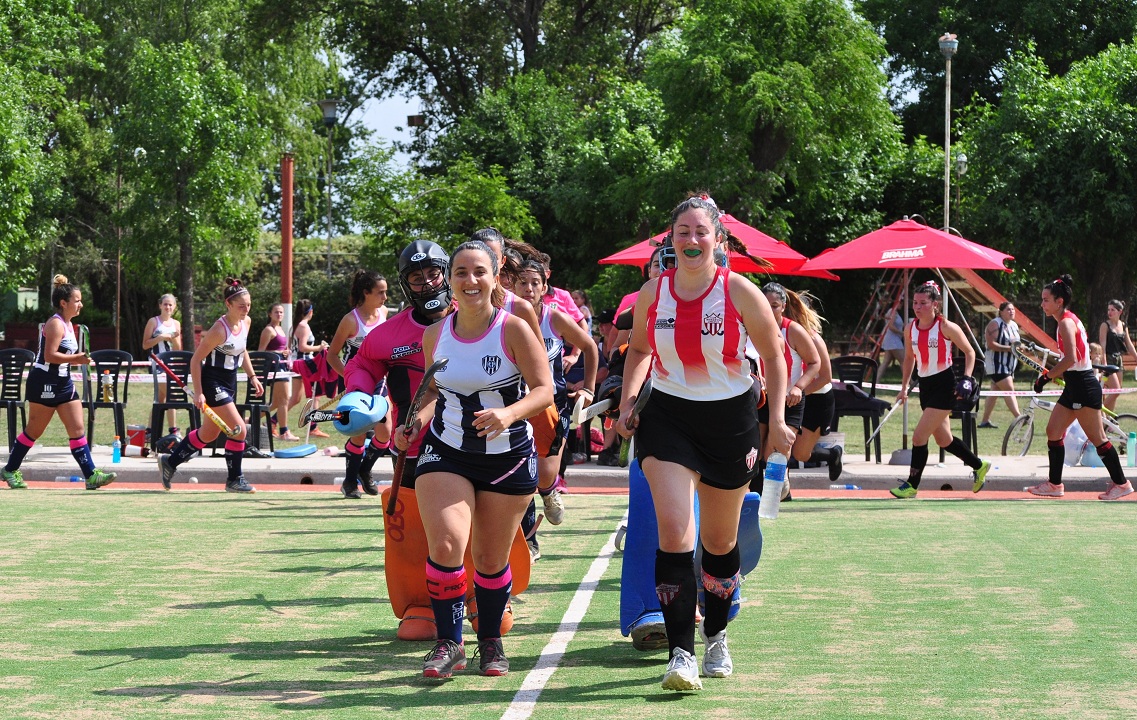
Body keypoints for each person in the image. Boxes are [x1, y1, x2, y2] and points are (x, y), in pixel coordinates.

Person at [616, 194, 793, 692]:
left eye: (701, 232)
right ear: (670, 240)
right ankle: (681, 655)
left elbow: (774, 357)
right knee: (675, 533)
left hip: (729, 422)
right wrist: (628, 402)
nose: (692, 240)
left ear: (719, 239)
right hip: (667, 418)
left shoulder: (739, 291)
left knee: (719, 543)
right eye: (683, 232)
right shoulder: (653, 293)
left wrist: (777, 419)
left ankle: (716, 635)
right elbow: (640, 350)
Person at [395, 240, 554, 678]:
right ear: (450, 280)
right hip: (446, 450)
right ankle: (449, 644)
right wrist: (414, 423)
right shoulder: (435, 334)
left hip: (507, 457)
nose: (470, 280)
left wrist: (509, 413)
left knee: (489, 559)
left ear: (495, 276)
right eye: (461, 272)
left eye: (479, 271)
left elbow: (544, 390)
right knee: (446, 545)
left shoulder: (513, 328)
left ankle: (490, 642)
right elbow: (433, 392)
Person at [1, 275, 117, 491]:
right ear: (64, 303)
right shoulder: (55, 323)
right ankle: (10, 469)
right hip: (44, 381)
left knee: (77, 428)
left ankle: (91, 475)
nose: (81, 304)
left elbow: (64, 357)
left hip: (63, 382)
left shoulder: (69, 324)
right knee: (34, 430)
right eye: (77, 300)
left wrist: (79, 360)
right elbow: (49, 355)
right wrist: (77, 359)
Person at [1027, 276, 1133, 500]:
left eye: (1046, 300)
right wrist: (1055, 373)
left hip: (1083, 386)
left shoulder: (1066, 323)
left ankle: (1122, 484)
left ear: (1059, 302)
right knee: (1053, 431)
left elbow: (1070, 359)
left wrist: (1046, 377)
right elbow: (1071, 359)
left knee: (1098, 438)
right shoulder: (1067, 320)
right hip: (1075, 385)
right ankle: (1054, 485)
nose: (1042, 304)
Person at [514, 257, 598, 527]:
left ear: (544, 287)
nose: (528, 288)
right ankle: (526, 536)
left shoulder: (554, 318)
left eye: (534, 283)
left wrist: (588, 389)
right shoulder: (502, 318)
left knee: (544, 474)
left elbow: (590, 347)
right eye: (522, 282)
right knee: (519, 475)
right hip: (514, 404)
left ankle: (549, 491)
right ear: (512, 285)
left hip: (552, 405)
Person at [158, 279, 263, 493]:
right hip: (213, 381)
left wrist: (252, 376)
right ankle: (235, 479)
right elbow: (196, 360)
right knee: (238, 429)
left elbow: (242, 350)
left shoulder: (246, 322)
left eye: (248, 305)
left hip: (230, 381)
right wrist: (199, 392)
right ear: (228, 304)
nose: (246, 309)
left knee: (209, 434)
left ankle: (170, 462)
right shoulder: (219, 329)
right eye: (241, 306)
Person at [890, 281, 991, 499]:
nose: (917, 307)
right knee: (944, 440)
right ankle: (979, 465)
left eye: (923, 303)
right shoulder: (910, 328)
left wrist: (967, 378)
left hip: (944, 386)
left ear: (935, 304)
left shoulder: (946, 327)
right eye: (915, 303)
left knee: (919, 437)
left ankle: (912, 485)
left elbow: (970, 352)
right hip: (925, 387)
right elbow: (909, 358)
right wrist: (904, 387)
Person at [328, 270, 392, 498]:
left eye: (385, 292)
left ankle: (364, 470)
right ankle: (349, 483)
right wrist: (349, 376)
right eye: (380, 292)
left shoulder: (384, 312)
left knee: (385, 433)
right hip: (356, 381)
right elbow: (332, 355)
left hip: (379, 380)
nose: (385, 297)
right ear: (366, 293)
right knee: (358, 433)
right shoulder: (350, 320)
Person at [754, 282, 820, 495]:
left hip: (790, 400)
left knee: (774, 451)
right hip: (762, 399)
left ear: (783, 306)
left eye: (774, 306)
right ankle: (756, 496)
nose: (769, 310)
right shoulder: (753, 328)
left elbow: (815, 363)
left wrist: (799, 387)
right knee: (755, 449)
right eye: (765, 305)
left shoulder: (793, 331)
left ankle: (777, 487)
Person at [784, 291, 843, 483]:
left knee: (801, 454)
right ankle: (783, 489)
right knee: (783, 445)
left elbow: (825, 377)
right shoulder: (785, 335)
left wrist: (799, 393)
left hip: (817, 400)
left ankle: (832, 454)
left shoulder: (814, 339)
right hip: (794, 397)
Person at [287, 299, 331, 438]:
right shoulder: (304, 326)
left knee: (296, 398)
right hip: (305, 364)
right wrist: (320, 347)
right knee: (315, 395)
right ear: (310, 311)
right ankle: (313, 428)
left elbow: (290, 347)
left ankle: (274, 421)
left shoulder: (294, 326)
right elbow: (303, 347)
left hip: (296, 363)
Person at [142, 294, 183, 437]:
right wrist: (160, 337)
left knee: (160, 399)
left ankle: (150, 430)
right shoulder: (153, 322)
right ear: (160, 305)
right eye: (165, 304)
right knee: (171, 394)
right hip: (156, 363)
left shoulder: (176, 324)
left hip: (170, 364)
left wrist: (174, 338)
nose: (168, 307)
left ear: (175, 307)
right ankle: (173, 430)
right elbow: (145, 344)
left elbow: (177, 349)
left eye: (171, 304)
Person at [978, 302, 1022, 429]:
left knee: (994, 392)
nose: (1011, 311)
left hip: (1009, 365)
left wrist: (1020, 348)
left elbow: (1015, 344)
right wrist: (1010, 349)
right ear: (1001, 311)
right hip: (996, 365)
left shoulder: (1014, 325)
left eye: (1013, 309)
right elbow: (991, 344)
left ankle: (985, 421)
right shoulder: (995, 324)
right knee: (1009, 389)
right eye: (1008, 309)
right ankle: (1019, 418)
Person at [258, 303, 298, 441]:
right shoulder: (268, 330)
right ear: (270, 314)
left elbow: (280, 348)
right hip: (274, 368)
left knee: (276, 402)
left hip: (283, 366)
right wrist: (278, 352)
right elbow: (261, 352)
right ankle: (284, 432)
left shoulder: (280, 329)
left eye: (281, 312)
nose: (279, 314)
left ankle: (250, 419)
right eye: (276, 312)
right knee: (285, 399)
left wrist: (285, 352)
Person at [1099, 299, 1137, 412]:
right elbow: (1102, 346)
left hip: (1118, 360)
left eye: (1113, 310)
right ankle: (1097, 412)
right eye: (1108, 310)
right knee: (1116, 390)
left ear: (1120, 312)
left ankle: (1108, 419)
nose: (1109, 312)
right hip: (1108, 359)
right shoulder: (1105, 325)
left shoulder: (1123, 325)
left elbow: (1129, 345)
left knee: (1115, 391)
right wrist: (1104, 364)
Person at [876, 301, 905, 383]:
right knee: (903, 361)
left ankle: (876, 381)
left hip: (891, 339)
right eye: (901, 303)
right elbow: (891, 326)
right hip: (893, 340)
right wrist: (902, 333)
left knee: (885, 362)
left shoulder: (893, 312)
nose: (902, 305)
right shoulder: (893, 312)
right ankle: (909, 381)